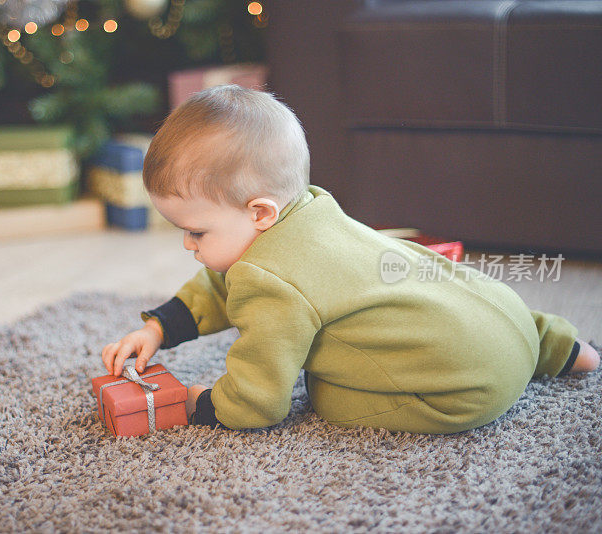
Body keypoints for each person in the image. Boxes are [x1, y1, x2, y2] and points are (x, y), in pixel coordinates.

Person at [101, 85, 600, 434]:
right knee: (446, 286)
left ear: (259, 212)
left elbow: (260, 398)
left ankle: (519, 359)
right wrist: (158, 329)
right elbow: (223, 282)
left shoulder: (267, 282)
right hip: (511, 320)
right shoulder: (311, 209)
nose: (188, 246)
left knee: (325, 394)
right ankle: (561, 346)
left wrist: (205, 404)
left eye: (196, 230)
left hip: (469, 391)